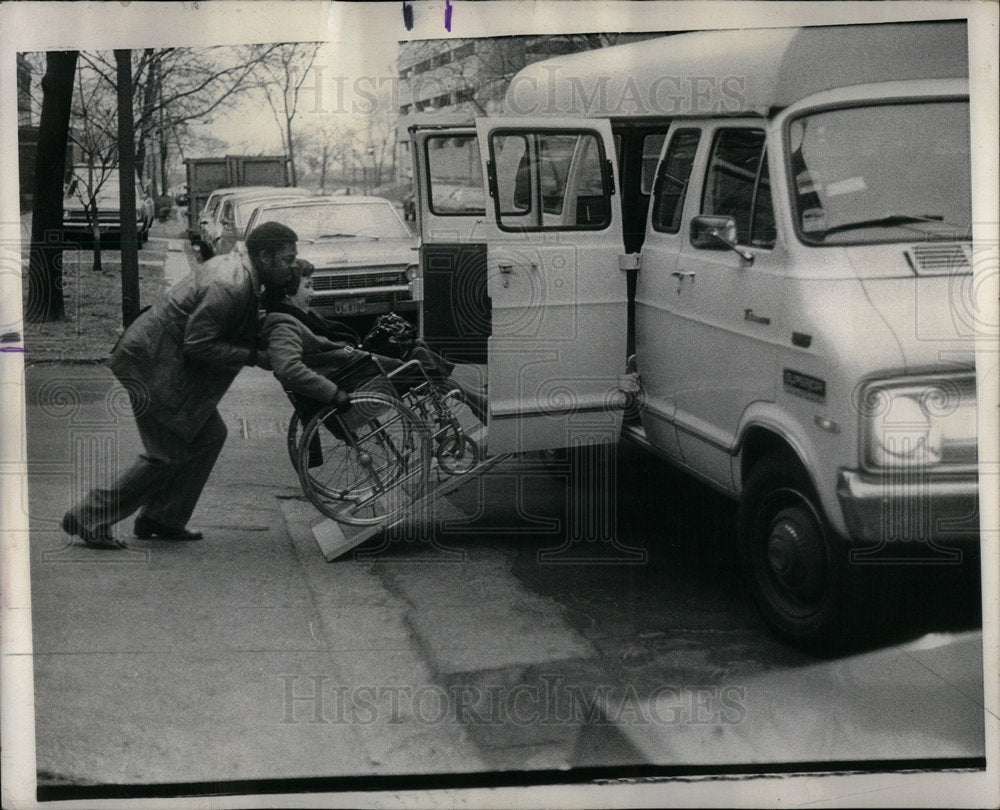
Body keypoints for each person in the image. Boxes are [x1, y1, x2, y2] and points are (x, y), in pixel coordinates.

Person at [61, 221, 300, 549]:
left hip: (161, 362)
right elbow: (199, 344)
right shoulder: (231, 284)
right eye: (288, 260)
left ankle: (163, 518)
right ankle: (89, 515)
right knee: (167, 453)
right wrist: (254, 356)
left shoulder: (243, 274)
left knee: (210, 436)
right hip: (150, 363)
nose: (292, 268)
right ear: (266, 256)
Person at [260, 259, 486, 427]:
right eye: (308, 286)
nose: (314, 293)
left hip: (354, 372)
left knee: (417, 347)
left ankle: (474, 399)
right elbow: (287, 369)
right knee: (419, 358)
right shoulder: (283, 325)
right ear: (288, 293)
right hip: (354, 382)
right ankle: (476, 401)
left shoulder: (293, 315)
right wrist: (331, 393)